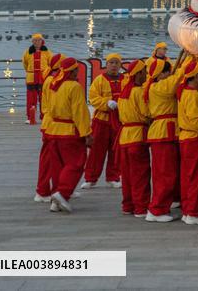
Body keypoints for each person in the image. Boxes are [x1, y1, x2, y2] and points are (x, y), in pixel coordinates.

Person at [43, 56, 92, 213]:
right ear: (72, 71)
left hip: (53, 129)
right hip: (69, 131)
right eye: (76, 69)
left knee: (58, 166)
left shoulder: (53, 83)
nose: (78, 71)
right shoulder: (73, 86)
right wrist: (87, 133)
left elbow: (47, 107)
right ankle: (62, 193)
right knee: (75, 164)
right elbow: (80, 112)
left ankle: (55, 201)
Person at [142, 53, 181, 223]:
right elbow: (179, 77)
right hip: (163, 133)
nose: (169, 74)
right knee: (164, 174)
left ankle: (162, 205)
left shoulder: (154, 86)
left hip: (164, 132)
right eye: (167, 72)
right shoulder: (159, 87)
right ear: (161, 74)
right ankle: (157, 209)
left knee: (166, 173)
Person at [82, 53, 123, 189]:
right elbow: (93, 98)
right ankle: (91, 178)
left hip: (119, 120)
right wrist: (106, 103)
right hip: (102, 120)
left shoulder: (126, 79)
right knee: (96, 150)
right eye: (111, 62)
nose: (114, 65)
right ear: (106, 64)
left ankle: (113, 177)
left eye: (116, 63)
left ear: (120, 65)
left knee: (115, 150)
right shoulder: (99, 79)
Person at [117, 58, 151, 218]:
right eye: (144, 71)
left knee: (128, 175)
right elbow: (146, 113)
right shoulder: (138, 91)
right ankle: (141, 207)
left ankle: (128, 205)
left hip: (124, 136)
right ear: (138, 74)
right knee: (140, 174)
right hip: (137, 135)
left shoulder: (124, 91)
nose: (146, 74)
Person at [176, 59, 198, 225]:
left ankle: (188, 210)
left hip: (185, 138)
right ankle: (194, 212)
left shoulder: (183, 92)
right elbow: (197, 122)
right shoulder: (194, 95)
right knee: (196, 176)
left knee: (187, 175)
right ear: (195, 77)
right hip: (195, 138)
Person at [34, 53, 63, 203]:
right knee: (48, 160)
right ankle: (43, 191)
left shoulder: (52, 80)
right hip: (51, 124)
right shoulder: (52, 81)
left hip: (52, 124)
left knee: (57, 159)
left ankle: (60, 189)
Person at [22, 33, 52, 124]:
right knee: (31, 99)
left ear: (42, 41)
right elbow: (25, 64)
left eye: (39, 40)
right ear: (32, 41)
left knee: (44, 99)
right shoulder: (27, 52)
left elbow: (51, 64)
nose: (37, 42)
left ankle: (44, 117)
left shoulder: (47, 52)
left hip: (43, 77)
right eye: (35, 40)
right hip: (31, 78)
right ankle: (30, 117)